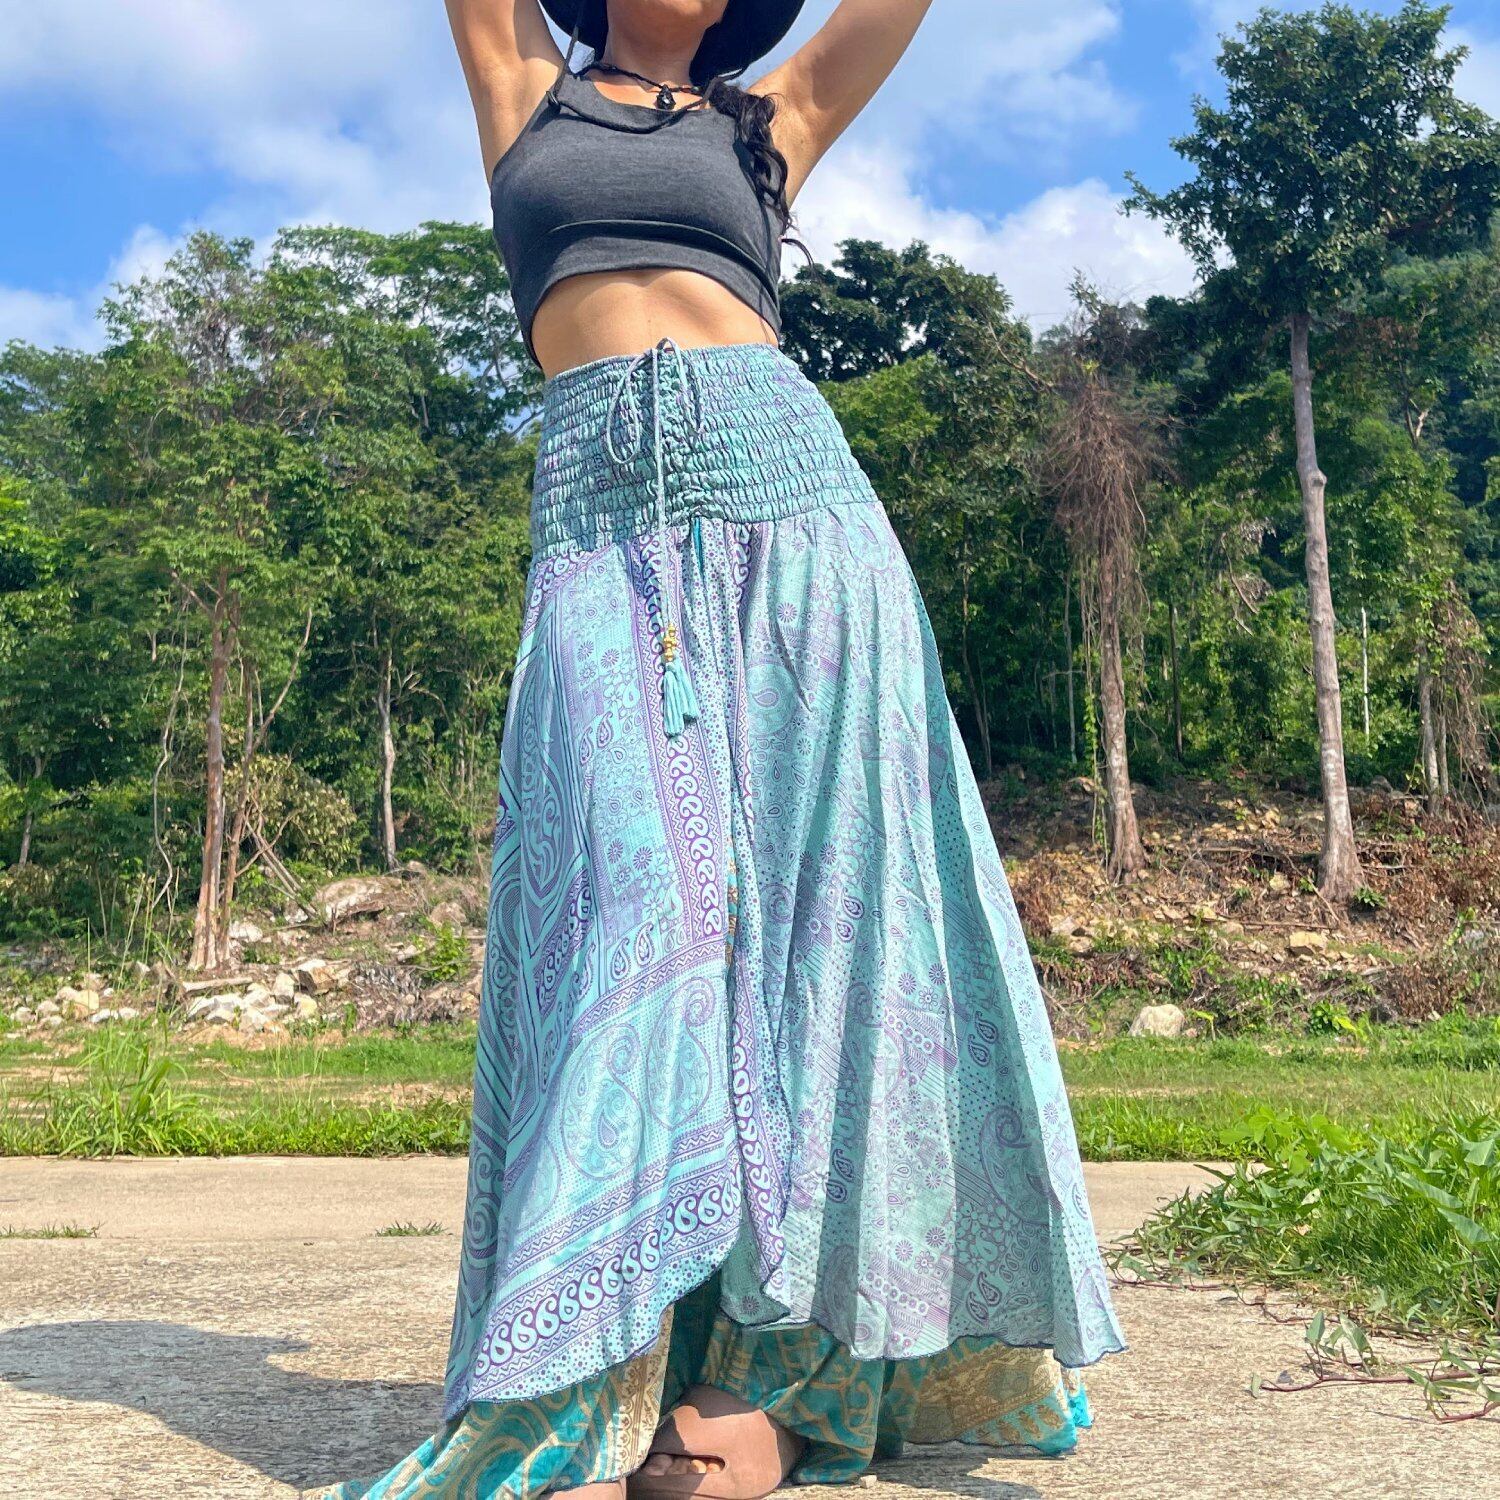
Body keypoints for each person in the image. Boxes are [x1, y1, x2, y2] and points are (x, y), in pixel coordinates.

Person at [313, 3, 1124, 1497]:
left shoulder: (769, 122)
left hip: (795, 514)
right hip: (599, 531)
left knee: (834, 932)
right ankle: (586, 1369)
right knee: (632, 911)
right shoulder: (525, 91)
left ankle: (775, 1367)